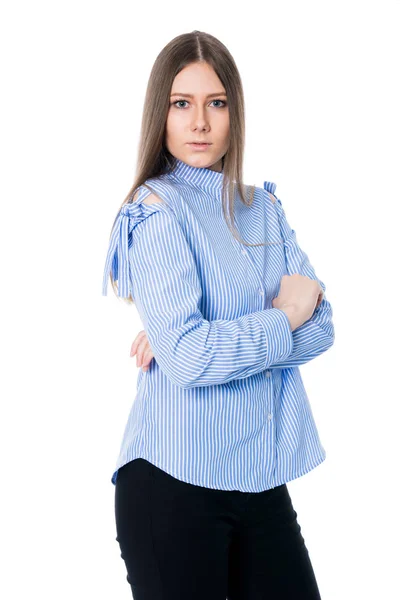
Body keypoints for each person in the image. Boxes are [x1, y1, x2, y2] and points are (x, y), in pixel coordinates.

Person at [102, 29, 334, 600]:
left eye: (216, 103)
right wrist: (282, 317)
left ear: (235, 113)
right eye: (182, 104)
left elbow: (324, 327)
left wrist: (218, 338)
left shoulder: (265, 210)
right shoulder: (154, 210)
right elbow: (188, 357)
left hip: (259, 482)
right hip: (171, 484)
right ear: (162, 114)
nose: (200, 123)